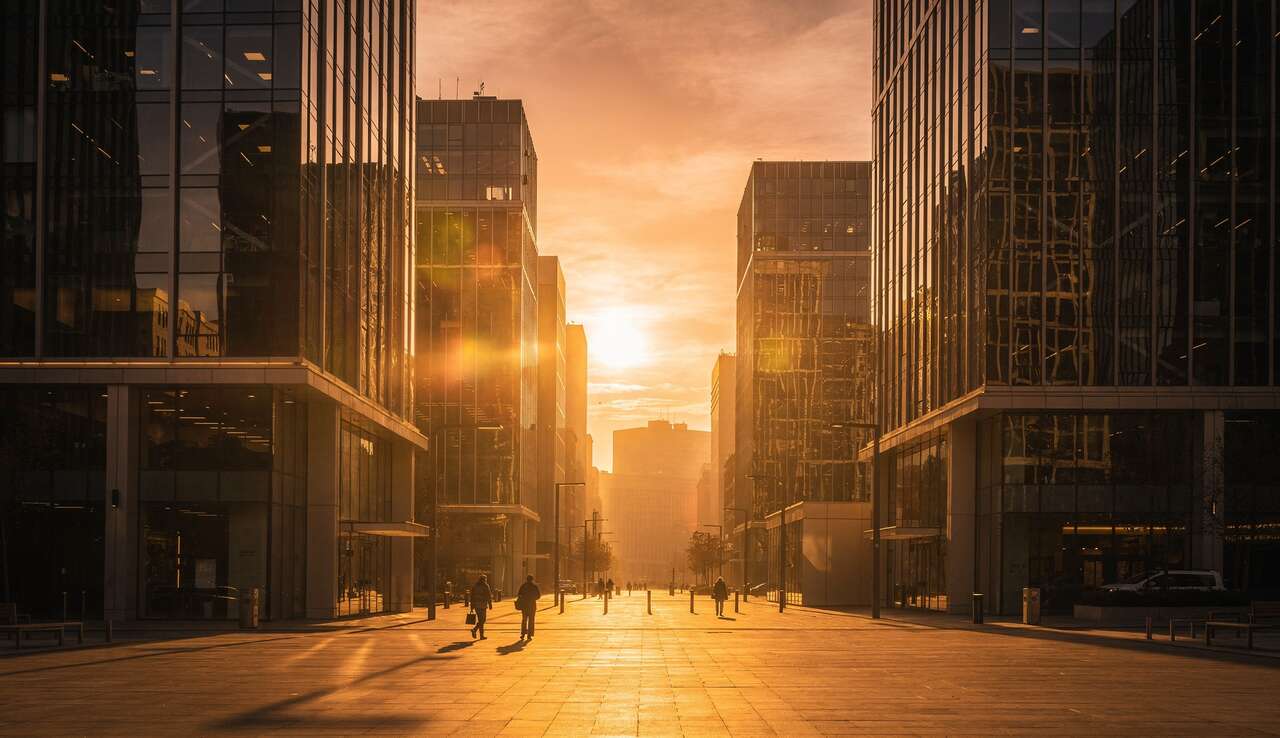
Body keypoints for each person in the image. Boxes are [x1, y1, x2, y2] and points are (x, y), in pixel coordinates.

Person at [516, 575, 541, 640]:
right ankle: (529, 635)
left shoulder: (523, 586)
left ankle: (523, 634)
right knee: (531, 620)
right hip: (532, 606)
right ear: (532, 580)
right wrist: (532, 598)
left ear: (526, 579)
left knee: (524, 620)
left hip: (524, 606)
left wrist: (524, 598)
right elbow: (538, 596)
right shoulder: (534, 586)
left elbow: (519, 594)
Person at [469, 574, 493, 639]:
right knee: (482, 620)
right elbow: (488, 596)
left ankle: (476, 631)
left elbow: (472, 597)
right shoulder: (486, 586)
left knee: (481, 620)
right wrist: (490, 604)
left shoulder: (475, 586)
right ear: (484, 579)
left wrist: (472, 607)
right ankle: (479, 634)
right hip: (483, 605)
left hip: (477, 605)